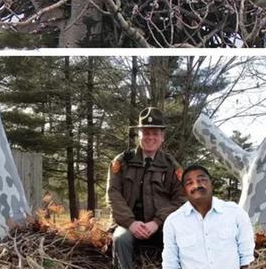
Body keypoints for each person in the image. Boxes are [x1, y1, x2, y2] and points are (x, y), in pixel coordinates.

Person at [107, 107, 185, 269]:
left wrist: (157, 222)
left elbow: (181, 198)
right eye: (146, 133)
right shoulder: (122, 162)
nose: (150, 137)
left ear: (162, 137)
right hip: (128, 225)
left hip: (161, 225)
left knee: (181, 240)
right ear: (139, 135)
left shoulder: (171, 166)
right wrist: (130, 223)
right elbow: (113, 194)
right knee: (120, 239)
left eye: (155, 133)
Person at [162, 164, 254, 269]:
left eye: (202, 180)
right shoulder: (173, 222)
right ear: (184, 192)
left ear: (212, 184)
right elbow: (170, 264)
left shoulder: (235, 213)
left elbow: (247, 257)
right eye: (189, 183)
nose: (196, 185)